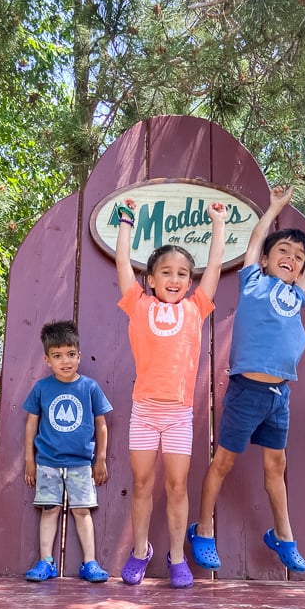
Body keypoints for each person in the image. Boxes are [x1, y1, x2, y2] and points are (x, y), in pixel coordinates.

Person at [188, 184, 305, 574]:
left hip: (279, 397)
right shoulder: (253, 281)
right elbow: (256, 239)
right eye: (283, 252)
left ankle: (283, 535)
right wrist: (273, 208)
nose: (291, 258)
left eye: (297, 256)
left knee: (276, 467)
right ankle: (202, 529)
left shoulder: (297, 295)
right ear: (268, 259)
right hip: (247, 392)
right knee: (222, 462)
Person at [115, 196, 226, 587]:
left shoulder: (196, 308)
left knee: (177, 485)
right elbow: (122, 263)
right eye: (166, 272)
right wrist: (127, 220)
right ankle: (140, 550)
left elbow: (214, 266)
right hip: (144, 411)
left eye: (182, 273)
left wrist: (217, 224)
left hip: (178, 413)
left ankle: (177, 556)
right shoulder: (139, 305)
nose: (175, 279)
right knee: (142, 483)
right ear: (152, 279)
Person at [23, 320, 112, 583]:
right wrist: (30, 460)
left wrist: (101, 459)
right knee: (49, 509)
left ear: (79, 356)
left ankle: (90, 563)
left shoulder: (89, 387)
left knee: (82, 511)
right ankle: (46, 562)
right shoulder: (42, 388)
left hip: (82, 464)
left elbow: (101, 424)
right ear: (47, 360)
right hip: (48, 463)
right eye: (58, 356)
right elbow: (31, 424)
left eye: (71, 355)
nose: (66, 361)